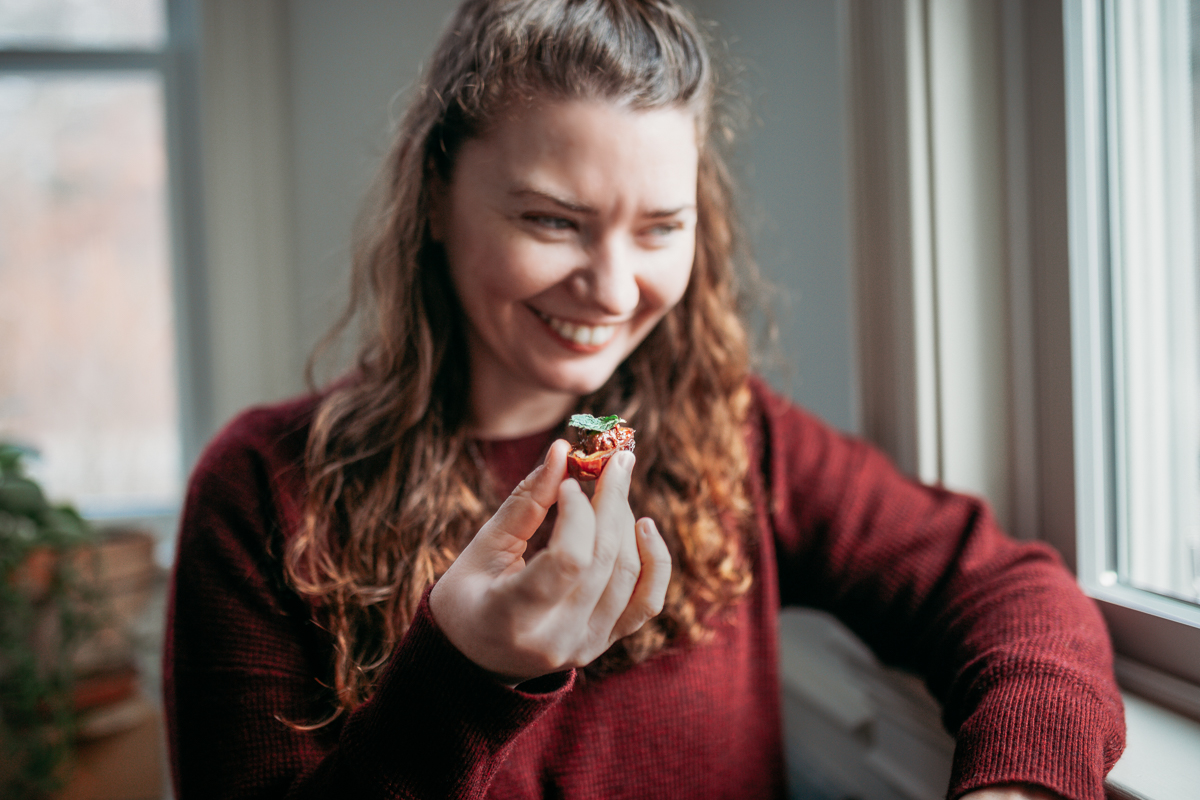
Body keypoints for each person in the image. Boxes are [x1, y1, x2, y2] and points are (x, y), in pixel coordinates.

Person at [163, 1, 1125, 798]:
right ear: (436, 199)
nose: (616, 291)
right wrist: (464, 679)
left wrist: (1020, 784)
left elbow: (1007, 589)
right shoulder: (264, 493)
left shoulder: (735, 436)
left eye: (661, 227)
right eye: (552, 220)